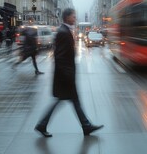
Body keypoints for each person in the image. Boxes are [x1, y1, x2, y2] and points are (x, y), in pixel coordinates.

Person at [34, 8, 103, 137]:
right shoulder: (63, 32)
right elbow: (59, 56)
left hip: (65, 75)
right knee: (66, 101)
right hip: (65, 76)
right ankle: (42, 125)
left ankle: (85, 126)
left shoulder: (65, 31)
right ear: (66, 17)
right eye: (73, 16)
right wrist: (68, 75)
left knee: (71, 101)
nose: (75, 18)